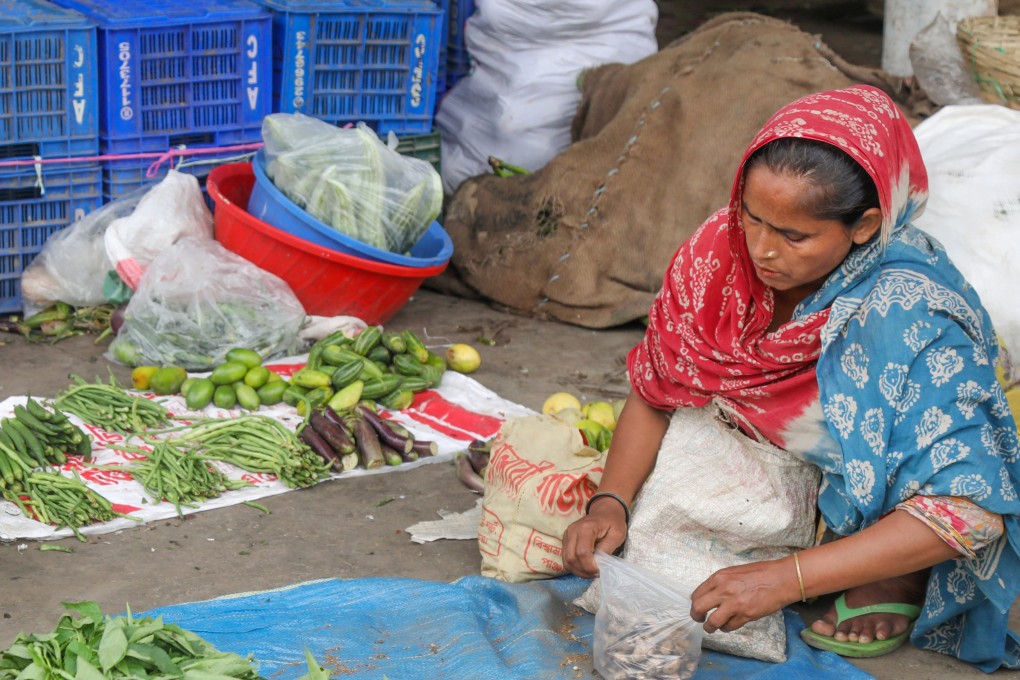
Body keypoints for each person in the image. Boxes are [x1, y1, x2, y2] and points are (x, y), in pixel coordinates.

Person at [561, 85, 1020, 670]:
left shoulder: (906, 312)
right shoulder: (717, 253)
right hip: (758, 463)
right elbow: (658, 386)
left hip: (853, 484)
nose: (760, 249)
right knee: (656, 574)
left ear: (864, 225)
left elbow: (972, 507)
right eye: (751, 217)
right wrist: (611, 501)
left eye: (793, 236)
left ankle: (890, 570)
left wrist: (786, 579)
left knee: (905, 487)